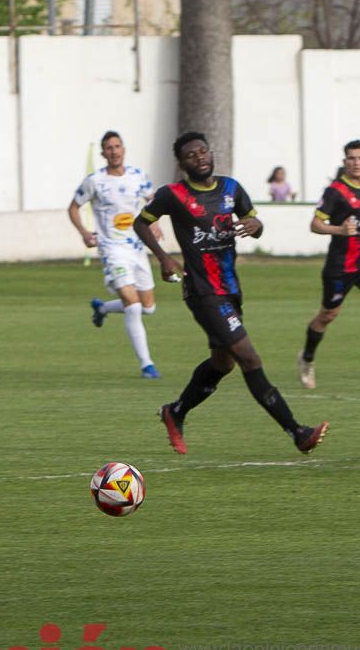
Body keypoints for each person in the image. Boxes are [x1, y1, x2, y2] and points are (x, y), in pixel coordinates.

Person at [133, 131, 328, 456]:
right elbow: (141, 223)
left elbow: (252, 220)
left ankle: (176, 411)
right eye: (192, 155)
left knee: (222, 364)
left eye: (204, 151)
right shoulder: (173, 195)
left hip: (230, 291)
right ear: (181, 163)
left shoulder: (231, 188)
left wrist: (257, 226)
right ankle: (297, 432)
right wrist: (164, 256)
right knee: (249, 357)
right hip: (202, 292)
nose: (200, 157)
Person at [297, 139, 360, 389]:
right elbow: (315, 224)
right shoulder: (335, 191)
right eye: (351, 158)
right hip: (340, 266)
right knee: (327, 316)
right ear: (345, 162)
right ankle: (307, 358)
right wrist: (340, 230)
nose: (356, 162)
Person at [67, 130, 161, 379]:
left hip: (137, 248)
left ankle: (103, 309)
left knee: (148, 307)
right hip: (112, 250)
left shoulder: (138, 176)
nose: (114, 151)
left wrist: (154, 223)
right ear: (103, 153)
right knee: (133, 306)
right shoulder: (95, 181)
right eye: (109, 148)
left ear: (124, 149)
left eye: (117, 146)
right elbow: (74, 207)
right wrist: (84, 232)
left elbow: (153, 203)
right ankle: (147, 365)